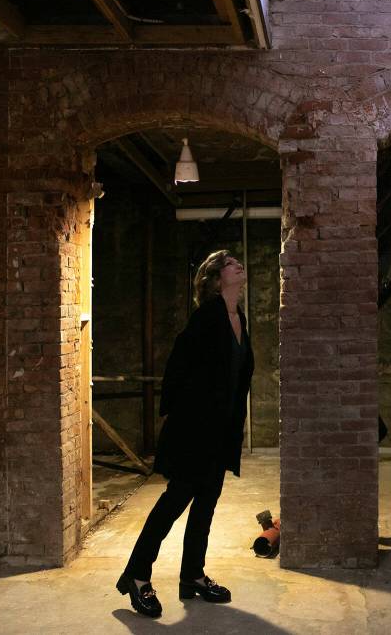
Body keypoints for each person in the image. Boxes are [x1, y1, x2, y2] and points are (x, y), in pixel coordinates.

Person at [116, 250, 254, 619]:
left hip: (221, 433)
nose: (238, 265)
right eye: (229, 263)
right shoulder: (206, 317)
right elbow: (178, 369)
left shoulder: (238, 317)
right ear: (216, 279)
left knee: (205, 505)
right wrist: (188, 419)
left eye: (237, 262)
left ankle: (192, 575)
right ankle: (137, 575)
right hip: (196, 432)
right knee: (173, 503)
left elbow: (236, 378)